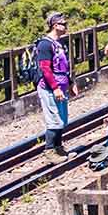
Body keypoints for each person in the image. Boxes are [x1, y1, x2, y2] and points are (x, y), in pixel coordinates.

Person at [36, 11, 79, 159]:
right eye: (63, 24)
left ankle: (59, 148)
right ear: (55, 25)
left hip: (61, 85)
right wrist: (54, 88)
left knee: (62, 119)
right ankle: (50, 151)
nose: (66, 26)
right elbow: (45, 68)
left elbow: (63, 66)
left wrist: (71, 83)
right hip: (49, 88)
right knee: (53, 120)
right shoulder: (45, 45)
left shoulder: (59, 43)